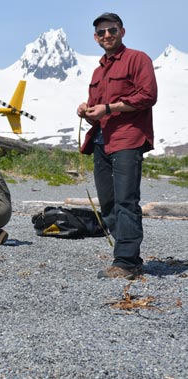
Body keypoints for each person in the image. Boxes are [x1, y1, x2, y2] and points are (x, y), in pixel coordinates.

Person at [76, 13, 157, 280]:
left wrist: (110, 107)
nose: (107, 35)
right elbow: (97, 110)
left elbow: (148, 96)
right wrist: (86, 112)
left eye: (111, 30)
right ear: (95, 37)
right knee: (108, 203)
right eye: (101, 32)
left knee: (126, 201)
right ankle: (128, 259)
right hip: (101, 141)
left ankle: (126, 262)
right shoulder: (98, 70)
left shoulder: (138, 59)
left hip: (127, 139)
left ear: (122, 31)